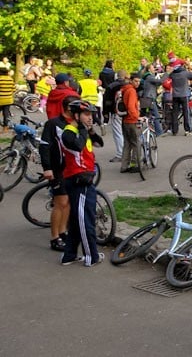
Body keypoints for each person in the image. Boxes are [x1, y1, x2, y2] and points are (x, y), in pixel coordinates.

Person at [58, 98, 105, 266]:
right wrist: (84, 131)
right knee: (86, 220)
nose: (90, 118)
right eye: (86, 114)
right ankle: (91, 256)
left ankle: (69, 255)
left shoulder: (84, 131)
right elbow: (77, 146)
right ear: (76, 115)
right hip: (79, 181)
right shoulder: (69, 132)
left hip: (85, 179)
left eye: (91, 114)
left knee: (77, 220)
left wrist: (91, 131)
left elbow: (99, 143)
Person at [40, 96, 75, 251]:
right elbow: (45, 146)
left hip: (71, 168)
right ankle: (55, 237)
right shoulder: (53, 124)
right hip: (57, 168)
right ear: (68, 108)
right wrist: (47, 167)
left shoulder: (75, 123)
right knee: (60, 202)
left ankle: (63, 231)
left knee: (67, 202)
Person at [116, 71, 142, 174]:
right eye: (135, 81)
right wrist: (137, 117)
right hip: (132, 121)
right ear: (131, 80)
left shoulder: (124, 89)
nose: (137, 83)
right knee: (136, 143)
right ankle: (135, 164)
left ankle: (124, 166)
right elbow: (131, 107)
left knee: (127, 143)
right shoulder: (131, 91)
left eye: (139, 81)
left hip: (125, 120)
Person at [163, 59, 192, 136]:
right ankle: (187, 130)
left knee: (175, 113)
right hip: (184, 95)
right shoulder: (185, 73)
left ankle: (175, 130)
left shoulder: (173, 75)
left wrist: (170, 70)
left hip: (175, 95)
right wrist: (189, 65)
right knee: (186, 112)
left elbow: (166, 76)